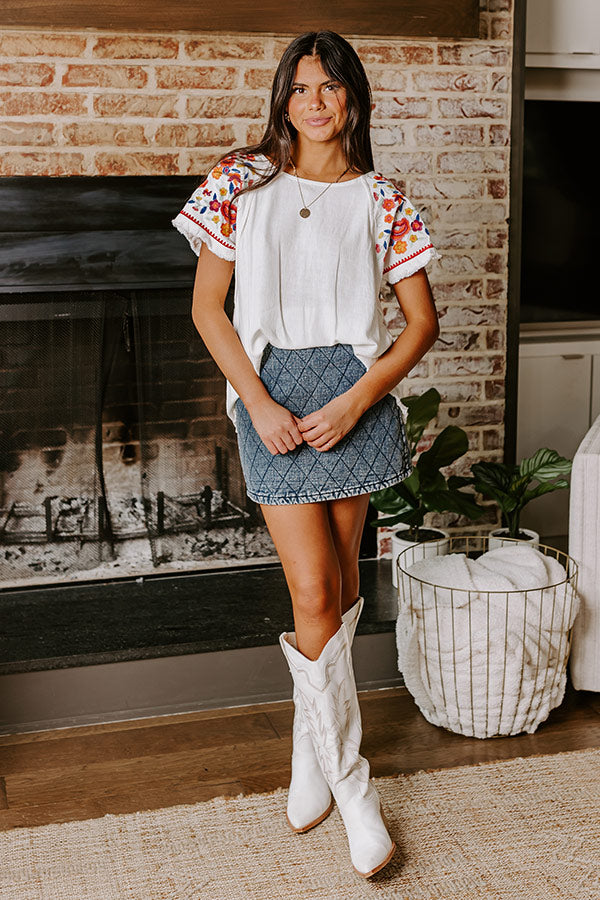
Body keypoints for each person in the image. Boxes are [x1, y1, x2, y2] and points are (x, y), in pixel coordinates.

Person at [172, 30, 440, 878]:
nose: (314, 102)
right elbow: (209, 308)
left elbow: (422, 322)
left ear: (353, 99)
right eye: (299, 88)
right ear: (282, 99)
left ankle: (309, 749)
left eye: (329, 87)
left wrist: (359, 398)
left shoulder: (383, 197)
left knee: (348, 585)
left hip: (350, 396)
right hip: (273, 395)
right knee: (314, 587)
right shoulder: (239, 183)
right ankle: (354, 788)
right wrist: (259, 402)